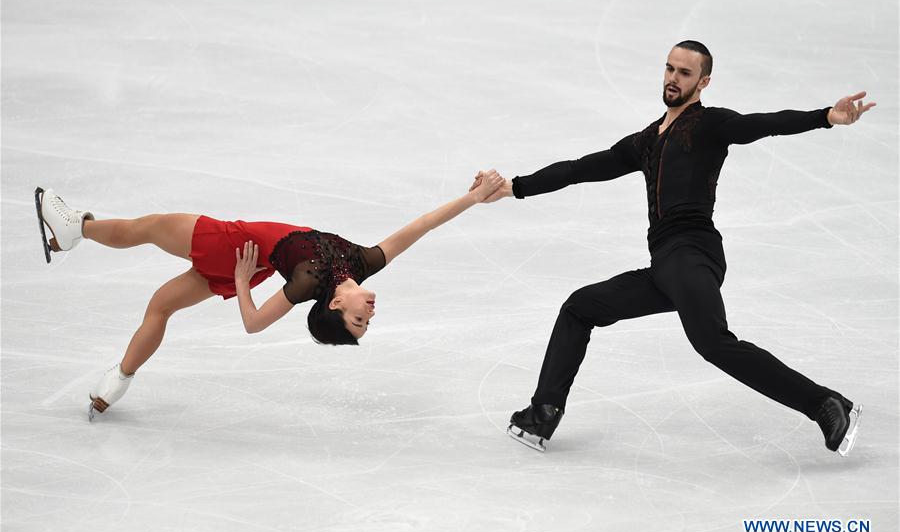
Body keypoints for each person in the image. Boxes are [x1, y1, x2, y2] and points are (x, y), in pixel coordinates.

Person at [470, 40, 874, 456]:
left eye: (684, 73)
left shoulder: (709, 125)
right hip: (666, 266)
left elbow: (762, 123)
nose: (673, 78)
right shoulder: (647, 140)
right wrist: (515, 188)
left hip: (692, 252)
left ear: (703, 82)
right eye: (669, 69)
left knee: (713, 343)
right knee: (580, 307)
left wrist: (826, 117)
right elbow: (580, 169)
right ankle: (542, 415)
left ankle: (825, 404)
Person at [34, 170, 507, 419]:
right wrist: (472, 198)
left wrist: (241, 281)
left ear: (336, 307)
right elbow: (419, 227)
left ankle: (77, 227)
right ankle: (112, 386)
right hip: (248, 261)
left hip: (233, 247)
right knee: (160, 307)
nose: (371, 313)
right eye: (367, 320)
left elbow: (253, 324)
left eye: (360, 321)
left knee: (152, 228)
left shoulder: (308, 281)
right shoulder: (362, 262)